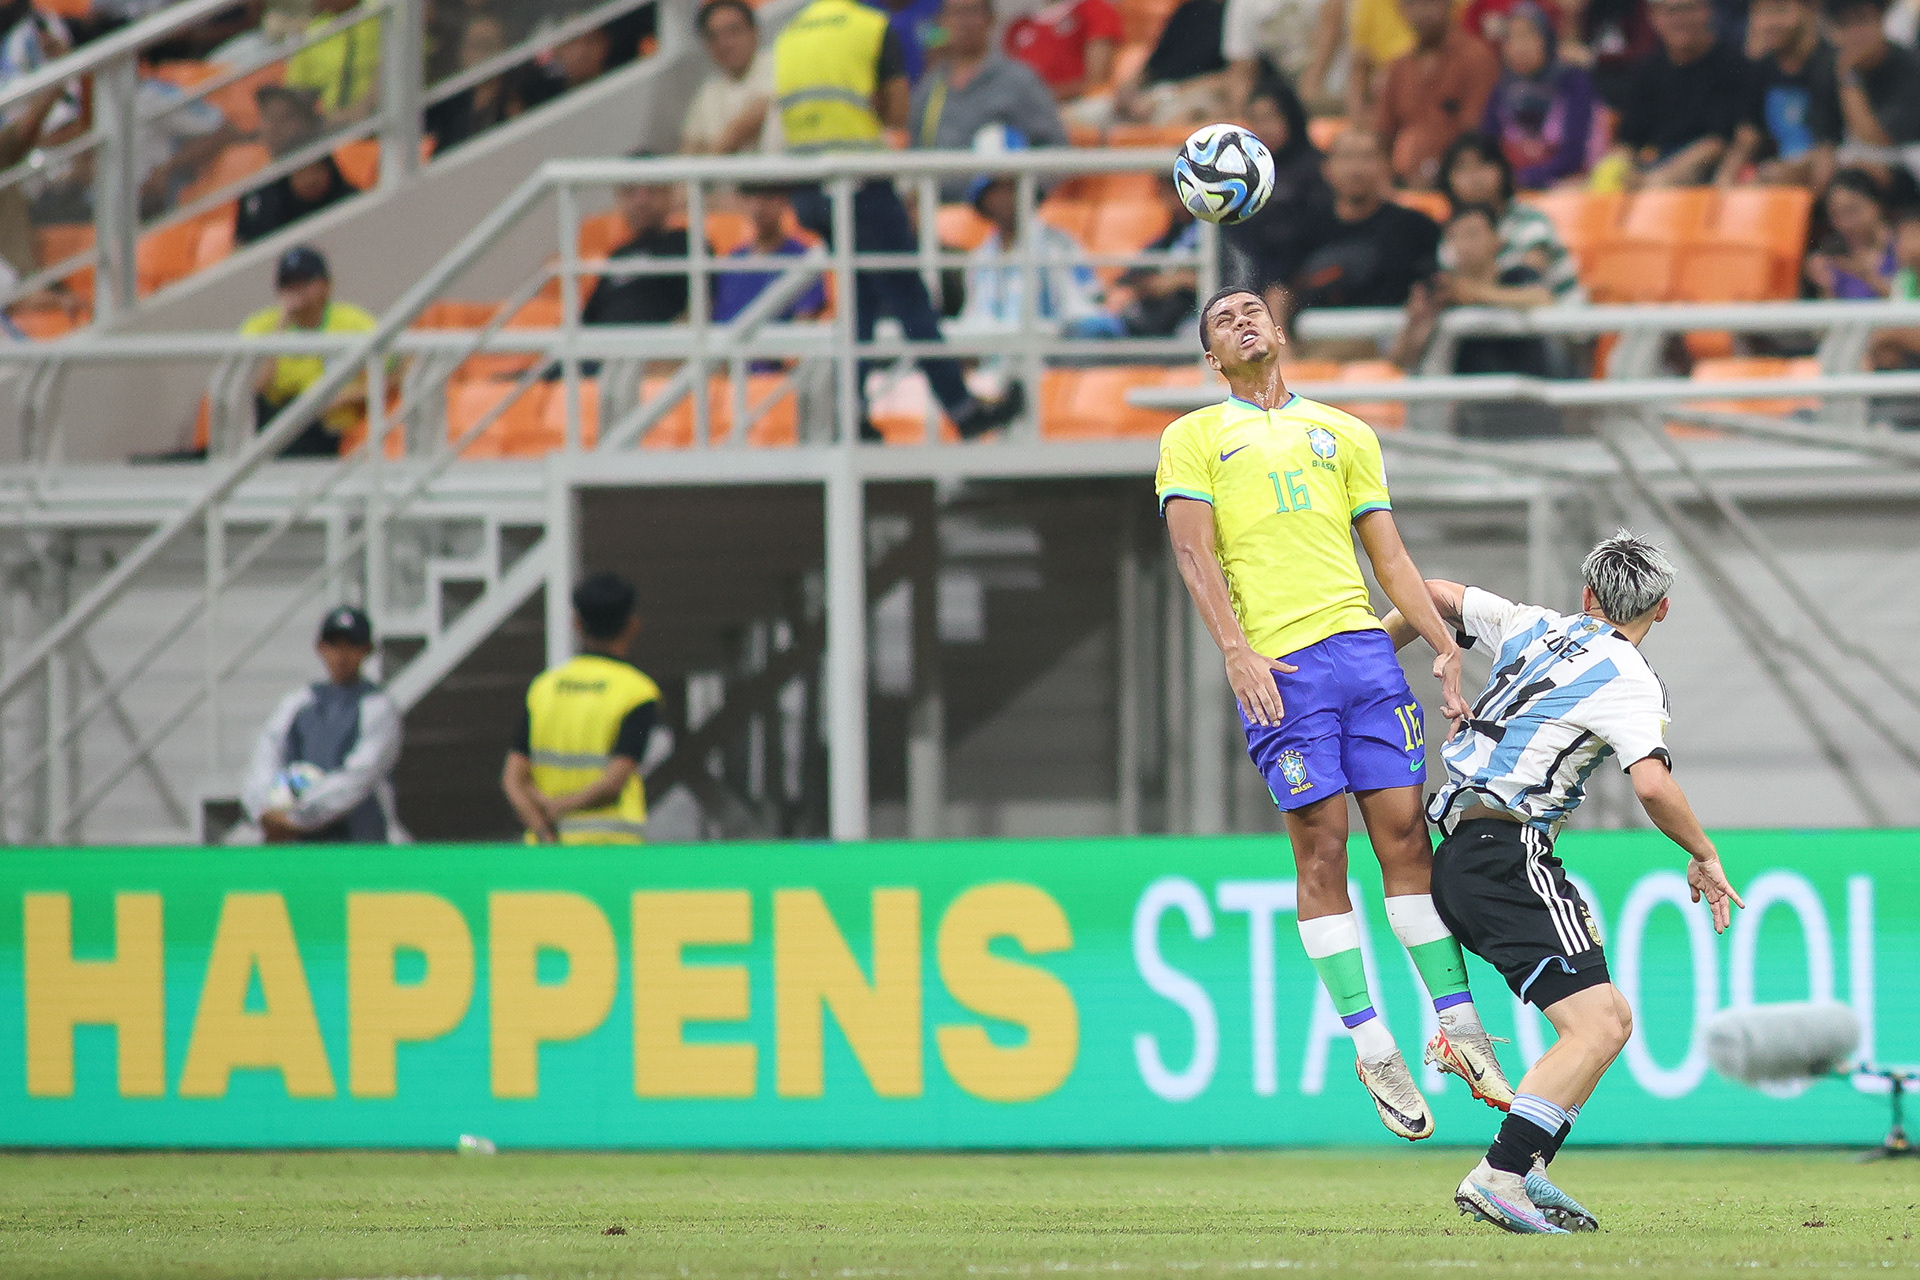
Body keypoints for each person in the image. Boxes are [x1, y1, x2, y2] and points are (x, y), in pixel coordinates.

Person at [1157, 285, 1513, 1142]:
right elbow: (1192, 553)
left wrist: (1442, 645)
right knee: (1323, 851)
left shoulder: (1346, 432)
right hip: (1282, 667)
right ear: (1211, 358)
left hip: (1363, 656)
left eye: (1252, 311)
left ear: (1278, 332)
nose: (1242, 321)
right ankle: (1374, 1046)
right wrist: (1235, 650)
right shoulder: (1193, 436)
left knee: (1407, 841)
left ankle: (1459, 1030)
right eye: (1223, 320)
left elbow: (1389, 557)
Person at [1377, 535, 1743, 1233]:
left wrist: (1374, 655)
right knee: (1596, 1024)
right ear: (1663, 609)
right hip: (1508, 855)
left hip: (1464, 848)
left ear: (1587, 596)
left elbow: (1437, 593)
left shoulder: (1535, 625)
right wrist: (1704, 853)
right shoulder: (1632, 678)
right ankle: (1500, 1176)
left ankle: (1528, 1164)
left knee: (1611, 1019)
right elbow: (1652, 784)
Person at [774, 0, 1026, 439]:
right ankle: (962, 408)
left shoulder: (792, 30)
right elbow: (896, 111)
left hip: (810, 187)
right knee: (908, 295)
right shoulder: (869, 26)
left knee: (861, 297)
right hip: (861, 180)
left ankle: (851, 412)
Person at [501, 572, 660, 844]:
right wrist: (562, 806)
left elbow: (513, 779)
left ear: (576, 623)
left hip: (549, 851)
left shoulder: (545, 687)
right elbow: (614, 783)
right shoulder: (638, 692)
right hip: (611, 850)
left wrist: (544, 831)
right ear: (633, 625)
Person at [242, 606, 406, 844]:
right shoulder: (298, 702)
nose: (341, 655)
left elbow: (360, 775)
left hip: (359, 842)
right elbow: (266, 757)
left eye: (351, 645)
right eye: (334, 645)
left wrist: (298, 817)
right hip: (299, 842)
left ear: (367, 650)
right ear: (320, 647)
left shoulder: (378, 707)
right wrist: (265, 810)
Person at [909, 0, 1067, 201]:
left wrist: (1019, 196)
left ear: (990, 19)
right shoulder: (929, 88)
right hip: (935, 211)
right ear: (942, 21)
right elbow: (914, 157)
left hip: (1002, 214)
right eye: (955, 13)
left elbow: (1055, 153)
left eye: (972, 12)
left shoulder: (1020, 81)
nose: (964, 22)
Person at [1284, 129, 1442, 327]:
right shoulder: (1303, 228)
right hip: (1318, 337)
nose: (1356, 169)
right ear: (1327, 169)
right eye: (1347, 157)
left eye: (1367, 157)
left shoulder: (1417, 228)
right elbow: (1282, 290)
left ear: (1387, 165)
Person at [1605, 0, 1762, 187]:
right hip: (1653, 165)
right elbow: (1629, 142)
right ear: (1653, 17)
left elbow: (1723, 141)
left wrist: (1659, 179)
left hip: (1711, 172)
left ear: (1707, 10)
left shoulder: (1735, 67)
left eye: (1687, 8)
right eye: (1670, 11)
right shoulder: (1644, 72)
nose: (1679, 19)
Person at [240, 246, 378, 456]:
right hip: (278, 419)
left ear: (326, 285)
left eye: (304, 282)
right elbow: (255, 389)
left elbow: (397, 371)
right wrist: (282, 325)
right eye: (287, 283)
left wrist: (342, 398)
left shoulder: (354, 322)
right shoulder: (261, 325)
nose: (295, 290)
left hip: (333, 428)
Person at [949, 171, 1105, 356]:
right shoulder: (979, 259)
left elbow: (1085, 305)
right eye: (997, 191)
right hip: (993, 357)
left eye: (1012, 189)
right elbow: (972, 320)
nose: (1006, 199)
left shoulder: (1059, 244)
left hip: (1050, 353)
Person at [1437, 133, 1583, 303]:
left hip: (1560, 313)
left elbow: (1528, 284)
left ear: (1502, 169)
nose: (1473, 176)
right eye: (1462, 168)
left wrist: (1471, 291)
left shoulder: (1529, 220)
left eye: (1483, 163)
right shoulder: (1448, 230)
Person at [1222, 76, 1331, 302]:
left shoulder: (1318, 169)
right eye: (1256, 120)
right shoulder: (1243, 175)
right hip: (1250, 274)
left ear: (1290, 118)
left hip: (1299, 277)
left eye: (1270, 118)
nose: (1264, 128)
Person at [1372, 0, 1502, 188]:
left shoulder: (1476, 58)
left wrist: (1435, 169)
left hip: (1461, 183)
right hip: (1401, 184)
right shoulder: (1400, 66)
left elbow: (1474, 133)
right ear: (1401, 10)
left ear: (1449, 5)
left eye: (1430, 3)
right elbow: (1383, 134)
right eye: (1412, 4)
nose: (1422, 12)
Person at [1480, 0, 1602, 189]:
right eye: (1510, 38)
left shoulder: (1572, 81)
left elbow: (1575, 153)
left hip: (1571, 187)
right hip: (1512, 189)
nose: (1519, 46)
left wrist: (1526, 178)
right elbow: (1488, 146)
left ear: (1546, 38)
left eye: (1527, 35)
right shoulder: (1502, 89)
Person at [1069, 173, 1204, 341]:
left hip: (1180, 320)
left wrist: (1172, 281)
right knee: (1078, 327)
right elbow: (1137, 270)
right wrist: (1123, 288)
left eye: (1167, 193)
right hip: (1142, 319)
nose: (1164, 200)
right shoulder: (1175, 232)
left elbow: (1207, 277)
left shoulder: (1211, 233)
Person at [236, 85, 359, 246]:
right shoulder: (253, 185)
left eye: (286, 117)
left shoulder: (337, 158)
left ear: (306, 122)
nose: (275, 127)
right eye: (268, 118)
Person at [581, 168, 696, 328]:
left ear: (670, 194)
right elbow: (586, 321)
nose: (641, 201)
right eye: (630, 191)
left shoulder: (689, 245)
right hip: (603, 340)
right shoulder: (618, 254)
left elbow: (701, 310)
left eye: (652, 190)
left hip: (656, 341)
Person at [1746, 0, 1839, 187]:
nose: (1770, 22)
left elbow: (1830, 146)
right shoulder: (1760, 68)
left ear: (1808, 10)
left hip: (1826, 171)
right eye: (1761, 13)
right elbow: (1749, 134)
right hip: (1771, 171)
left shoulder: (1831, 65)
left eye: (1780, 10)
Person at [710, 184, 828, 326]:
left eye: (768, 196)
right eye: (751, 195)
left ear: (784, 200)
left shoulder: (804, 259)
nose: (758, 206)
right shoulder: (731, 262)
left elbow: (804, 324)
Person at [1825, 0, 1920, 163]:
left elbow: (1876, 139)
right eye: (1845, 24)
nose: (1855, 33)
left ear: (1881, 19)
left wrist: (1849, 76)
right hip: (1851, 161)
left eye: (1862, 20)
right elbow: (1824, 139)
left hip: (1904, 163)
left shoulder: (1911, 68)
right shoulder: (1827, 66)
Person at [1108, 0, 1230, 125]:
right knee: (1096, 111)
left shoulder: (1233, 14)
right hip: (1154, 91)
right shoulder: (1189, 9)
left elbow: (1229, 76)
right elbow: (1153, 63)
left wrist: (1164, 96)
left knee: (1171, 119)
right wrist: (1129, 87)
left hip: (1195, 92)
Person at [681, 0, 777, 155]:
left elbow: (748, 124)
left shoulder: (775, 64)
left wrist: (709, 160)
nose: (725, 43)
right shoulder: (710, 90)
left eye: (734, 31)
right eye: (714, 36)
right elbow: (691, 146)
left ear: (754, 31)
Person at [1221, 0, 1346, 116]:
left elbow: (1333, 26)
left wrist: (1309, 88)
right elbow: (1242, 71)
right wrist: (1241, 116)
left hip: (1336, 90)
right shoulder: (1243, 4)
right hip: (1283, 99)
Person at [1003, 0, 1123, 104]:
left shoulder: (1094, 10)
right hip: (1028, 108)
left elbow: (1097, 81)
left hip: (1076, 106)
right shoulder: (1019, 25)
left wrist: (1038, 98)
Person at [285, 0, 384, 120]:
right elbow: (296, 92)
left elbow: (396, 63)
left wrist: (363, 107)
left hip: (384, 111)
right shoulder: (314, 31)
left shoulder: (381, 9)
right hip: (334, 123)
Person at [1806, 167, 1896, 296]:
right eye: (1836, 215)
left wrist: (1866, 276)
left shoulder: (1904, 249)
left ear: (1876, 204)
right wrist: (1825, 287)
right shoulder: (1831, 256)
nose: (1845, 223)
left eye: (1852, 210)